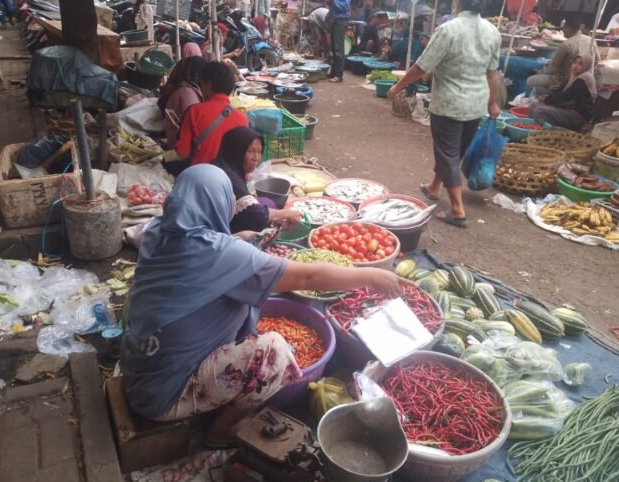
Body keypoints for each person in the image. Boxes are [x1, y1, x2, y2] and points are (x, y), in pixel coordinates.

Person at [120, 165, 405, 445]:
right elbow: (307, 277)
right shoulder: (221, 255)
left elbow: (199, 254)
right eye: (229, 198)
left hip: (139, 370)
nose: (233, 204)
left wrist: (239, 239)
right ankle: (219, 433)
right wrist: (372, 276)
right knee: (272, 353)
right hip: (164, 398)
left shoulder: (157, 231)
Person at [387, 0, 501, 228]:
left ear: (457, 0)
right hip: (476, 103)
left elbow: (421, 67)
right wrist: (493, 103)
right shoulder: (492, 31)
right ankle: (433, 186)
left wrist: (397, 86)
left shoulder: (448, 29)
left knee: (448, 153)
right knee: (454, 151)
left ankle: (458, 209)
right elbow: (492, 73)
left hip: (450, 103)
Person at [213, 127, 302, 233]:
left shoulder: (224, 165)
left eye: (259, 152)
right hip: (221, 231)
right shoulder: (229, 177)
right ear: (236, 150)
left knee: (266, 202)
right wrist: (285, 214)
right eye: (251, 151)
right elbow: (255, 215)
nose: (256, 158)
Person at [176, 61, 249, 165]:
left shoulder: (194, 112)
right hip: (230, 174)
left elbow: (182, 153)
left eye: (201, 84)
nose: (201, 89)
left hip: (201, 172)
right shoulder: (243, 118)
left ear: (209, 85)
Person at [527, 17, 599, 96]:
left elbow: (553, 68)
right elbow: (597, 60)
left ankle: (551, 95)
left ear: (568, 28)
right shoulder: (591, 40)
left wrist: (538, 72)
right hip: (586, 81)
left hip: (567, 81)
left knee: (531, 81)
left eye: (563, 28)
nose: (562, 30)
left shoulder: (566, 45)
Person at [529, 54, 596, 131]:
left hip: (578, 117)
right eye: (575, 62)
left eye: (580, 64)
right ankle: (530, 129)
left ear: (586, 66)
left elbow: (565, 96)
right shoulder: (573, 76)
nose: (576, 66)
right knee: (534, 106)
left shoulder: (584, 79)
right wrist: (547, 97)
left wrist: (547, 99)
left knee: (539, 111)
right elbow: (560, 92)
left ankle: (550, 132)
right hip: (567, 110)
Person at [157, 56, 207, 146]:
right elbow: (195, 123)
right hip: (182, 146)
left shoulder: (184, 88)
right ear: (196, 75)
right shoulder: (187, 92)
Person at [319, 0, 352, 83]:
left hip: (341, 19)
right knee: (333, 47)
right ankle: (333, 72)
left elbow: (345, 6)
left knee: (338, 48)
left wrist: (332, 0)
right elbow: (335, 4)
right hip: (335, 18)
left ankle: (339, 75)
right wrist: (328, 0)